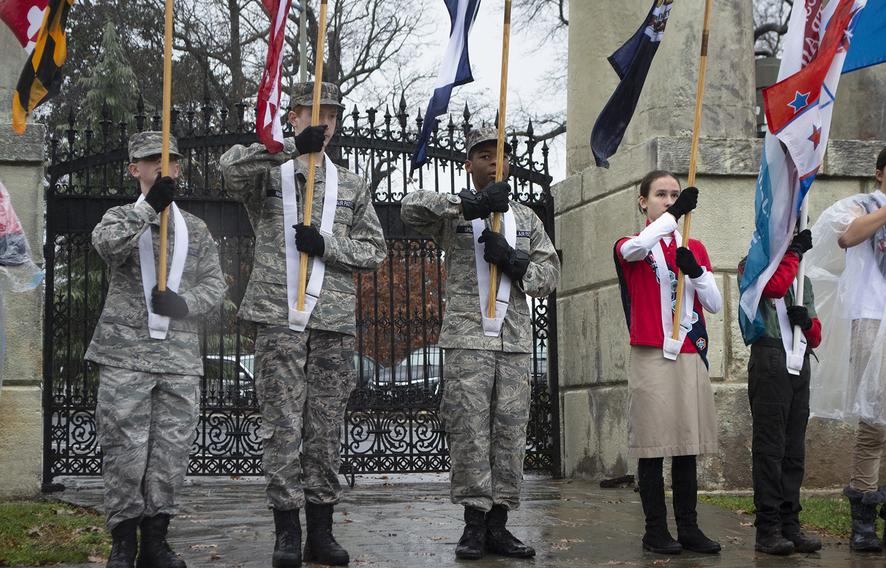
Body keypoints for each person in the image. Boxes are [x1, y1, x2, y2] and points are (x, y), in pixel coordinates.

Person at [219, 82, 387, 567]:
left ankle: (322, 531)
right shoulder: (272, 173)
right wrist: (291, 148)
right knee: (282, 426)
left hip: (332, 321)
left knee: (325, 428)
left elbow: (375, 251)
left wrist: (328, 245)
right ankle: (286, 532)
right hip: (278, 318)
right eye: (314, 113)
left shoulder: (352, 185)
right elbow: (229, 170)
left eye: (331, 115)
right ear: (292, 116)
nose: (324, 122)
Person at [400, 127, 560, 560]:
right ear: (468, 165)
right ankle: (473, 523)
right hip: (468, 340)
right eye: (482, 156)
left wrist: (512, 259)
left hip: (512, 344)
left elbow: (549, 277)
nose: (492, 162)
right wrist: (470, 205)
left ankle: (499, 525)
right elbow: (410, 209)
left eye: (499, 156)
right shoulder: (455, 215)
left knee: (509, 434)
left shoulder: (526, 219)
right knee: (469, 431)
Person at [86, 131, 227, 568]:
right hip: (125, 356)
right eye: (153, 161)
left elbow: (216, 285)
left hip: (179, 361)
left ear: (179, 168)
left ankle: (157, 542)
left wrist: (188, 304)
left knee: (170, 454)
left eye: (171, 161)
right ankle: (123, 542)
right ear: (135, 169)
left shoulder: (196, 230)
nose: (163, 167)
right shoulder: (119, 216)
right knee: (125, 452)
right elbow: (107, 247)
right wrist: (149, 208)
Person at [805, 143, 886, 554]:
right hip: (872, 322)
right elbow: (847, 237)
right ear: (879, 172)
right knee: (875, 423)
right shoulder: (862, 206)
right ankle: (863, 519)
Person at [612, 170, 722, 555]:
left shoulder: (694, 246)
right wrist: (671, 218)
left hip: (689, 350)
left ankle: (689, 527)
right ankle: (655, 530)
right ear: (643, 201)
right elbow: (635, 250)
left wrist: (695, 271)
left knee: (686, 444)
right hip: (651, 351)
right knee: (653, 445)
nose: (669, 199)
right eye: (661, 194)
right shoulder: (632, 243)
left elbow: (714, 303)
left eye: (675, 194)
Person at [737, 228, 823, 555]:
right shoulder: (753, 265)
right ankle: (768, 528)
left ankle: (791, 524)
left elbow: (816, 335)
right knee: (770, 449)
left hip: (799, 360)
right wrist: (795, 254)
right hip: (770, 355)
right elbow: (772, 287)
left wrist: (808, 323)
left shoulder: (803, 278)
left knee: (793, 451)